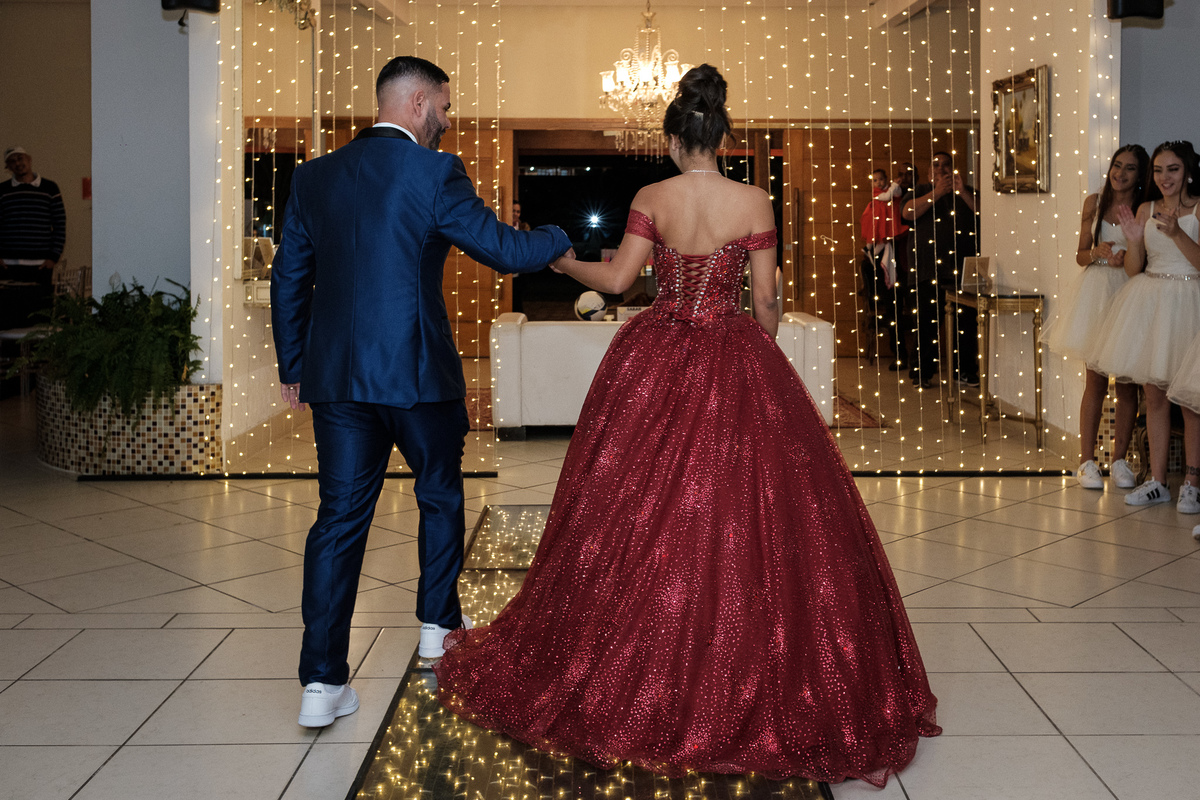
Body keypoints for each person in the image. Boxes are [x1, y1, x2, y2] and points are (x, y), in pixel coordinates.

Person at [435, 64, 939, 788]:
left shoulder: (653, 197)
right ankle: (746, 660)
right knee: (746, 509)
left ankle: (641, 655)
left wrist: (562, 260)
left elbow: (619, 282)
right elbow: (766, 300)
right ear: (723, 137)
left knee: (635, 506)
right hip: (736, 350)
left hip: (659, 350)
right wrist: (759, 359)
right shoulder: (754, 200)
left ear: (673, 141)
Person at [270, 55, 572, 728]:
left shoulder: (314, 177)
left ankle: (320, 683)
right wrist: (561, 237)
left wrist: (295, 365)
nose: (447, 117)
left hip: (339, 382)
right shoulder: (436, 172)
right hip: (417, 377)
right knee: (438, 494)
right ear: (415, 102)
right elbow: (504, 251)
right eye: (443, 104)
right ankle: (437, 628)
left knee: (338, 521)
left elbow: (289, 276)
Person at [1088, 140, 1200, 511]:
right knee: (1154, 396)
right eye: (1158, 170)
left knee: (1190, 400)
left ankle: (1192, 483)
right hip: (1151, 302)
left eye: (1173, 169)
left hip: (1189, 301)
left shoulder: (1199, 208)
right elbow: (1134, 269)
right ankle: (1157, 480)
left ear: (1187, 172)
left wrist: (1178, 233)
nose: (1165, 177)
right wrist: (1135, 241)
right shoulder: (1146, 208)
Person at [1042, 145, 1148, 490]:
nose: (1120, 173)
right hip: (1097, 292)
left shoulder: (1144, 208)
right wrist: (1097, 253)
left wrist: (1128, 255)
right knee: (1096, 380)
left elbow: (1148, 255)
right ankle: (1086, 461)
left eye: (1129, 168)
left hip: (1130, 291)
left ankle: (1119, 460)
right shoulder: (1095, 202)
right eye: (1117, 165)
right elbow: (1079, 255)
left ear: (1140, 175)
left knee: (1128, 381)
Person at [901, 151, 980, 389]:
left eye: (946, 165)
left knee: (965, 324)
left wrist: (962, 192)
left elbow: (982, 214)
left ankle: (964, 371)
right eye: (936, 165)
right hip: (927, 269)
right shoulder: (919, 191)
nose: (941, 169)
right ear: (929, 172)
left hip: (961, 269)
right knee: (926, 324)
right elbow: (907, 213)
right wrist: (936, 193)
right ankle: (922, 373)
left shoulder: (967, 191)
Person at [0, 146, 66, 324]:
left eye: (20, 158)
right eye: (12, 161)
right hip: (8, 266)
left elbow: (59, 224)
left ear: (29, 160)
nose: (17, 163)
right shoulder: (2, 190)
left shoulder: (50, 188)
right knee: (8, 317)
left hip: (40, 266)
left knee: (39, 318)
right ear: (8, 167)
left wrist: (53, 257)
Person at [860, 166, 910, 366]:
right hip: (889, 270)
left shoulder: (900, 200)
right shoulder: (877, 202)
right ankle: (899, 354)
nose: (878, 183)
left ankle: (908, 356)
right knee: (892, 307)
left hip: (905, 267)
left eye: (881, 179)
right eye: (875, 180)